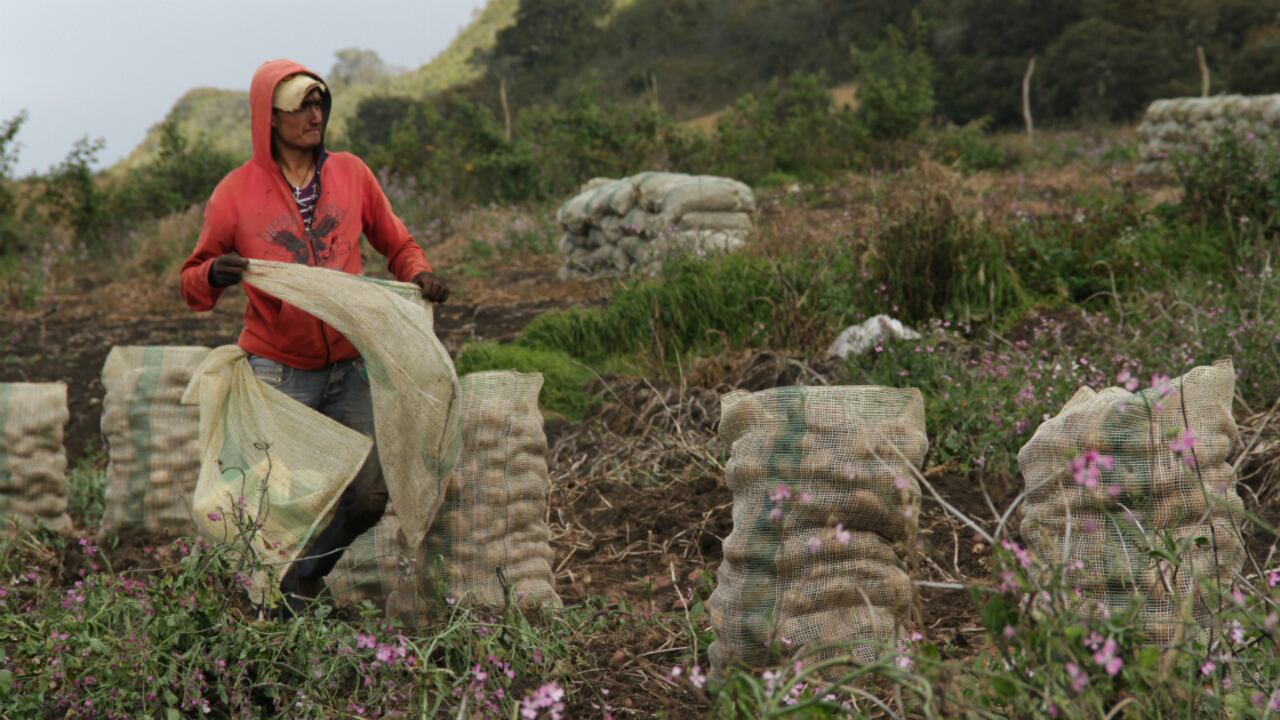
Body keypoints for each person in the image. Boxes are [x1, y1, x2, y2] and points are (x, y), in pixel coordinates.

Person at [180, 59, 448, 612]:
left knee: (371, 491)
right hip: (278, 370)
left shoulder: (352, 174)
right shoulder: (235, 193)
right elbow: (193, 284)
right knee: (273, 501)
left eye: (319, 102)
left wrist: (418, 273)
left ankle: (300, 581)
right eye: (300, 106)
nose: (314, 114)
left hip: (351, 364)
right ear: (268, 118)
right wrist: (214, 273)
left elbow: (397, 243)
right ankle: (262, 610)